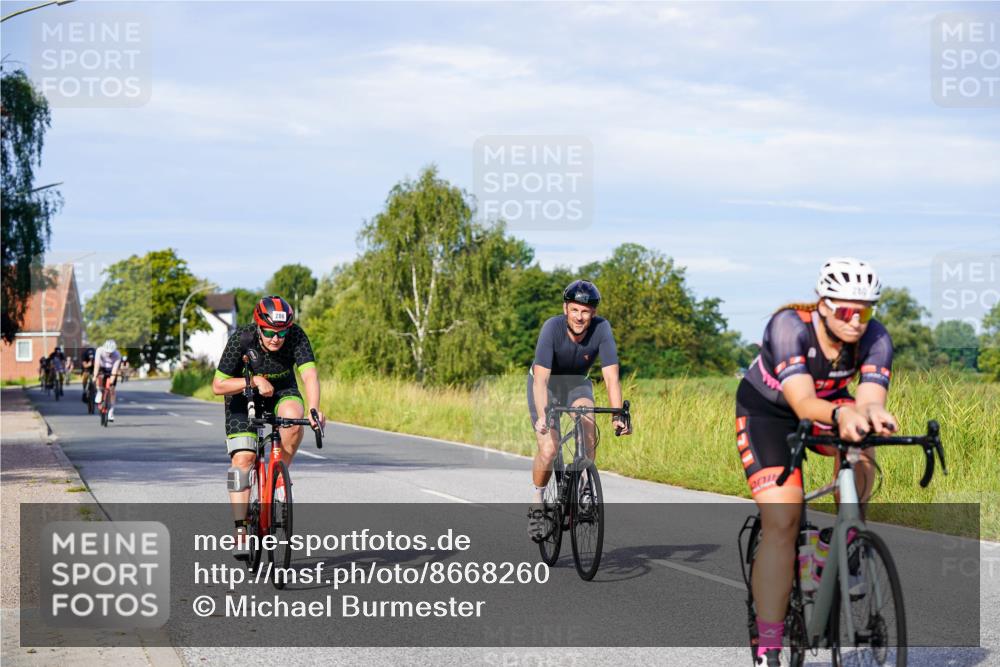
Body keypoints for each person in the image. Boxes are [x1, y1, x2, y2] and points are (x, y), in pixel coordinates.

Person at [736, 258, 895, 666]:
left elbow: (869, 398)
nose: (857, 321)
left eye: (866, 311)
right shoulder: (789, 326)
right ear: (823, 305)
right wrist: (844, 415)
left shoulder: (876, 337)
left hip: (826, 407)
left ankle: (846, 542)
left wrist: (872, 414)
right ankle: (770, 644)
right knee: (783, 522)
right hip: (768, 415)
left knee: (863, 442)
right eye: (845, 311)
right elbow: (804, 403)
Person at [212, 295, 326, 559]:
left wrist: (314, 408)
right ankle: (240, 530)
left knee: (294, 419)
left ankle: (279, 477)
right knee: (243, 459)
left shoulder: (296, 336)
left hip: (282, 390)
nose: (276, 338)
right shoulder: (241, 338)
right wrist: (252, 382)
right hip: (243, 396)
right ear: (258, 326)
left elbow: (309, 374)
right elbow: (218, 385)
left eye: (282, 332)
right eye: (269, 332)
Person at [527, 279, 630, 540]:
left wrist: (618, 415)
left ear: (592, 313)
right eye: (575, 310)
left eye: (585, 311)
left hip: (576, 385)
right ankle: (538, 503)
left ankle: (584, 486)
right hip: (547, 385)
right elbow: (540, 380)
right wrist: (542, 416)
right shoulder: (552, 328)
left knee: (587, 418)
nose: (580, 316)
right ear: (566, 309)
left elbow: (611, 377)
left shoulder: (602, 329)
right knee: (549, 450)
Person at [94, 340, 123, 421]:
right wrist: (94, 376)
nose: (109, 354)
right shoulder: (99, 350)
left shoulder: (117, 354)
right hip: (102, 368)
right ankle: (99, 391)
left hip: (111, 370)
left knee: (112, 390)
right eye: (107, 352)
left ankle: (111, 411)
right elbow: (96, 365)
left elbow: (115, 370)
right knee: (99, 376)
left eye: (111, 352)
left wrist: (111, 382)